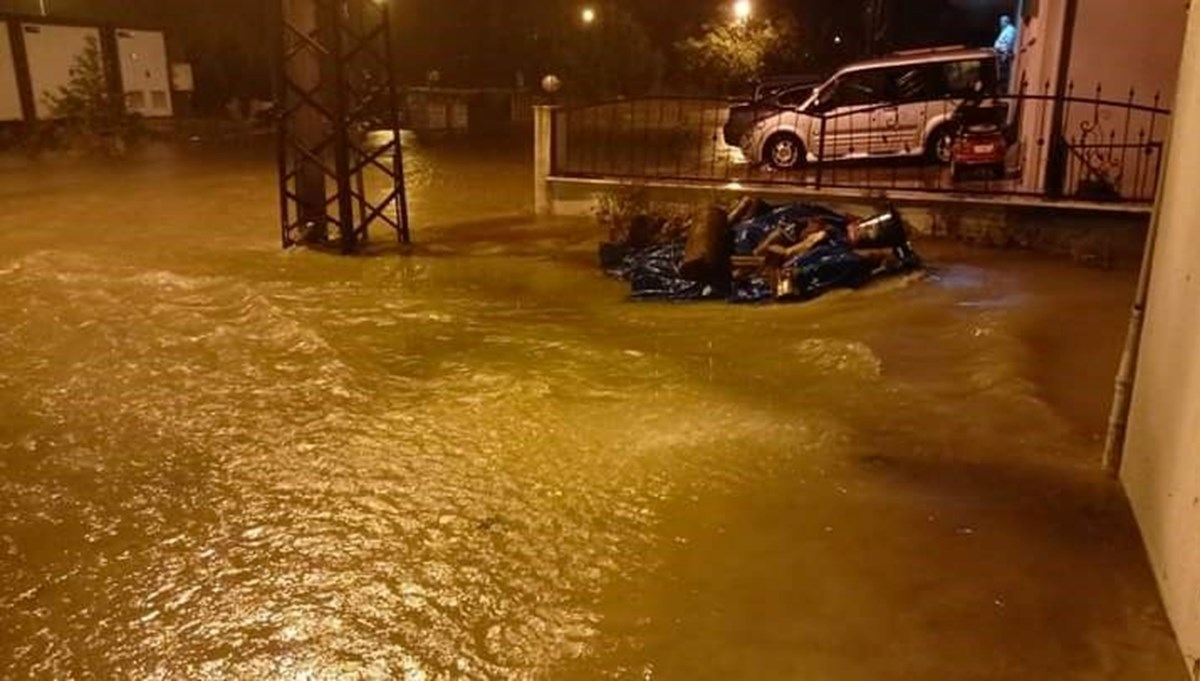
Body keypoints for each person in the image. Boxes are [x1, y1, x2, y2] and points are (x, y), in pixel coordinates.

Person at [994, 15, 1018, 90]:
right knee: (1000, 73)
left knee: (1004, 74)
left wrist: (1005, 53)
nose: (1000, 24)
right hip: (1001, 53)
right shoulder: (1006, 30)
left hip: (1004, 54)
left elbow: (1008, 42)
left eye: (1001, 22)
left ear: (1005, 22)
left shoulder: (1010, 30)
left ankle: (1004, 89)